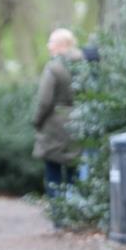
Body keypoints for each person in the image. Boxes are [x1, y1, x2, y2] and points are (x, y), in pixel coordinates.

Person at [33, 28, 82, 206]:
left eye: (51, 42)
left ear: (61, 45)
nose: (48, 46)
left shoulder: (54, 67)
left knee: (53, 170)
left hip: (55, 124)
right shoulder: (83, 64)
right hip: (80, 121)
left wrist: (37, 121)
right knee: (74, 169)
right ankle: (75, 209)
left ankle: (57, 211)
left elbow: (44, 101)